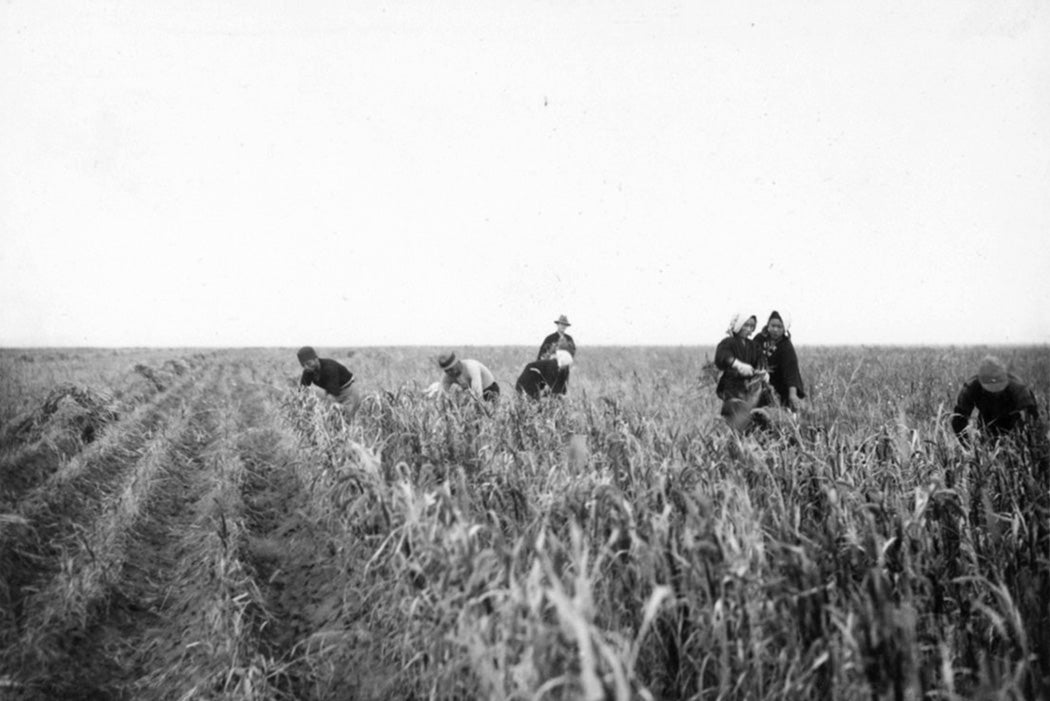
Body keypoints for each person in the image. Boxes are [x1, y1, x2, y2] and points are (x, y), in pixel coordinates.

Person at [951, 356, 1041, 439]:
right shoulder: (971, 387)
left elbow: (1033, 419)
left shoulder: (1018, 388)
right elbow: (958, 420)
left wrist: (1023, 440)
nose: (995, 392)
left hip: (1013, 423)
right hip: (986, 422)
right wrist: (968, 445)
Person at [753, 310, 806, 411]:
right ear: (768, 325)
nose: (775, 329)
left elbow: (792, 372)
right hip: (759, 383)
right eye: (773, 325)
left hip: (779, 388)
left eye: (779, 327)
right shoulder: (759, 339)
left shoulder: (786, 347)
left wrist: (793, 394)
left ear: (785, 328)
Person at [297, 346, 361, 417]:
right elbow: (302, 392)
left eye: (308, 363)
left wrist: (323, 413)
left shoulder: (329, 368)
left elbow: (332, 395)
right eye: (303, 365)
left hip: (348, 392)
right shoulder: (308, 371)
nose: (306, 367)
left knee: (347, 419)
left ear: (316, 359)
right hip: (330, 392)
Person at [435, 352, 500, 402]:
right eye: (447, 371)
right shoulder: (446, 376)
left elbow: (478, 394)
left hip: (489, 389)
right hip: (470, 392)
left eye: (451, 369)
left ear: (457, 362)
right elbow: (442, 395)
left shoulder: (471, 367)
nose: (449, 373)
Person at [537, 315, 577, 395]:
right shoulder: (550, 338)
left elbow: (572, 353)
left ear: (566, 326)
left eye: (565, 325)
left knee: (561, 392)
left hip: (563, 369)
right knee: (548, 392)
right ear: (558, 325)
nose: (563, 326)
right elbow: (541, 354)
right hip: (550, 369)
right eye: (561, 324)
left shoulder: (569, 339)